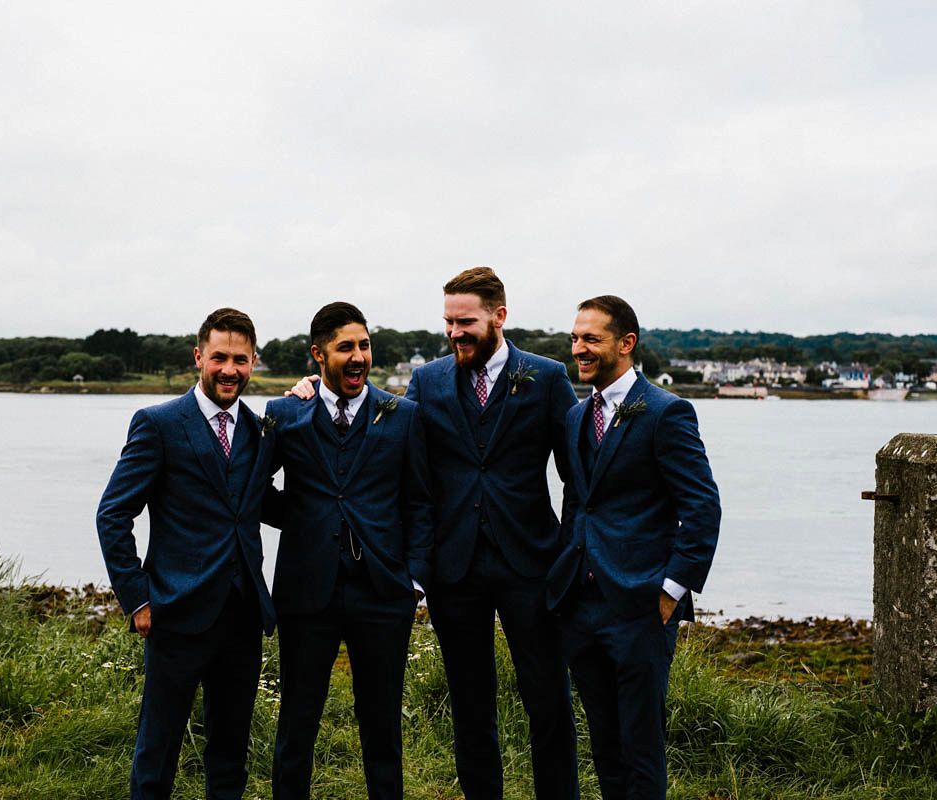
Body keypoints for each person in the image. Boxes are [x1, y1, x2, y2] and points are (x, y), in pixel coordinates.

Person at [284, 267, 580, 799]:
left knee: (549, 700)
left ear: (499, 317)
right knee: (470, 704)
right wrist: (307, 390)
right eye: (448, 322)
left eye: (465, 321)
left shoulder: (548, 377)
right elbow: (409, 476)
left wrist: (570, 553)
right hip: (454, 569)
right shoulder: (429, 382)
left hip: (531, 564)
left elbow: (578, 475)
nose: (455, 332)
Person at [96, 307, 277, 800]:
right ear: (199, 357)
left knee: (231, 752)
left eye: (240, 359)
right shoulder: (158, 424)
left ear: (253, 362)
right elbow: (112, 515)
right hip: (174, 613)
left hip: (241, 616)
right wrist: (138, 600)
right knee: (158, 752)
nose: (229, 369)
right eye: (219, 357)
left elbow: (272, 505)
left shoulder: (262, 431)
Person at [547, 295, 721, 800]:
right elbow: (579, 504)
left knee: (641, 744)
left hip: (643, 607)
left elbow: (702, 507)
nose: (579, 349)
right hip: (581, 605)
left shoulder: (667, 413)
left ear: (626, 344)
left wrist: (670, 589)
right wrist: (565, 581)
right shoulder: (578, 417)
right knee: (604, 741)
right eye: (575, 338)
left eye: (591, 339)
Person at [263, 301, 433, 800]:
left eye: (364, 345)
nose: (358, 357)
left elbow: (421, 502)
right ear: (318, 354)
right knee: (297, 723)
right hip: (305, 592)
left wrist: (415, 580)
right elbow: (254, 488)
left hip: (384, 594)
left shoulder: (404, 416)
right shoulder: (284, 413)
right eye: (345, 348)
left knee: (382, 726)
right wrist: (303, 518)